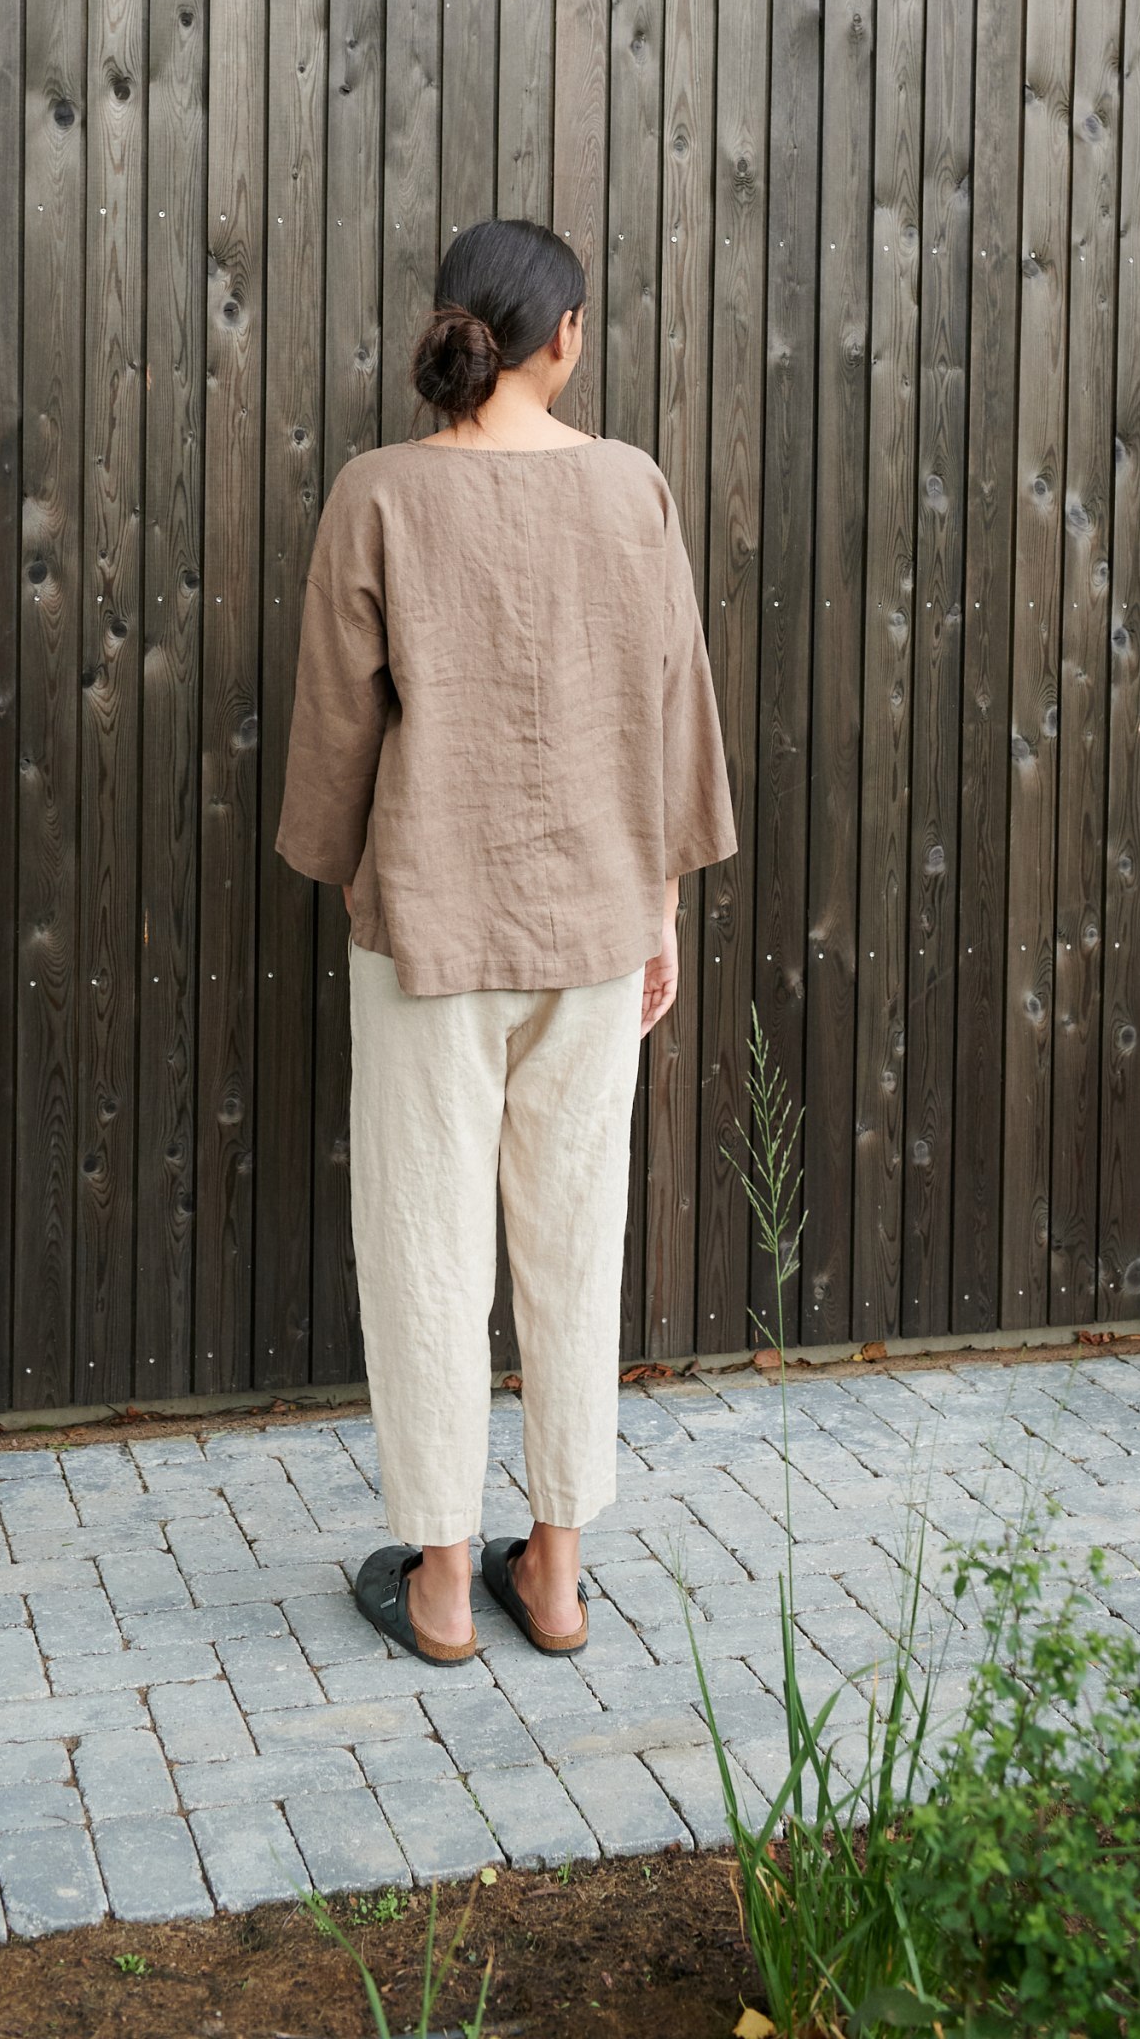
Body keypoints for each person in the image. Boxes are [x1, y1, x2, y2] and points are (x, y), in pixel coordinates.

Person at [274, 216, 736, 1664]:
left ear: (458, 328)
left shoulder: (379, 493)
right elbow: (673, 708)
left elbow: (337, 732)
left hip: (428, 928)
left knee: (422, 1244)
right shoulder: (632, 489)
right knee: (574, 1243)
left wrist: (348, 875)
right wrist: (659, 902)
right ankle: (555, 1573)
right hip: (597, 926)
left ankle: (433, 1582)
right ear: (564, 337)